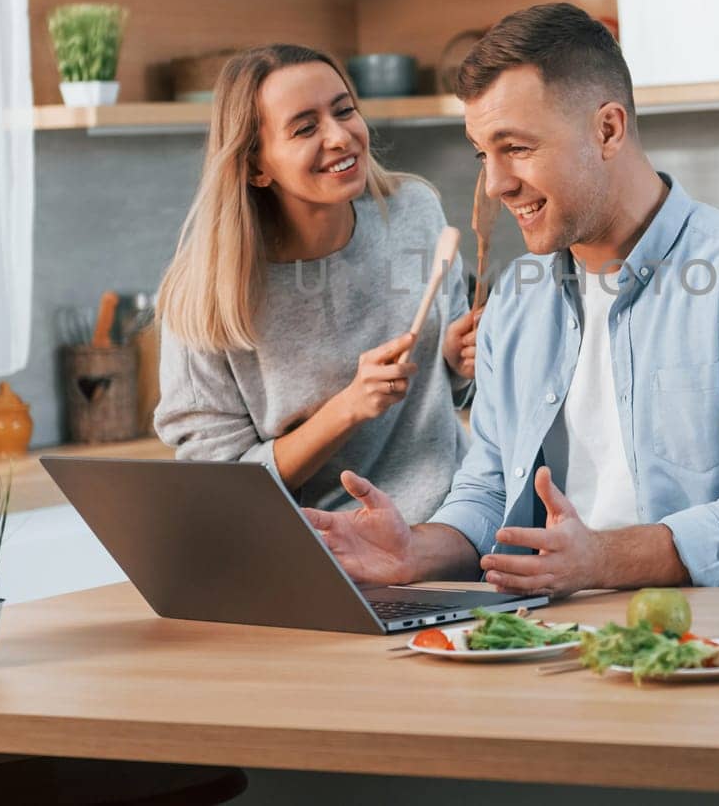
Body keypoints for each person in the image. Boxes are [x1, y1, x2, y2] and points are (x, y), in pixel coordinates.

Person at [303, 3, 719, 595]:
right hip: (564, 650)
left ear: (607, 130)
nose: (495, 184)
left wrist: (602, 560)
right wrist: (419, 549)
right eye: (483, 153)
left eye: (516, 147)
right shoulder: (519, 298)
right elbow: (490, 488)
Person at [153, 44, 479, 524]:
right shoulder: (205, 294)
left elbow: (446, 402)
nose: (339, 136)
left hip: (449, 527)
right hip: (316, 550)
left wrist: (458, 362)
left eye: (345, 111)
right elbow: (220, 488)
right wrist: (346, 408)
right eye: (305, 128)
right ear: (255, 166)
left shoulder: (415, 212)